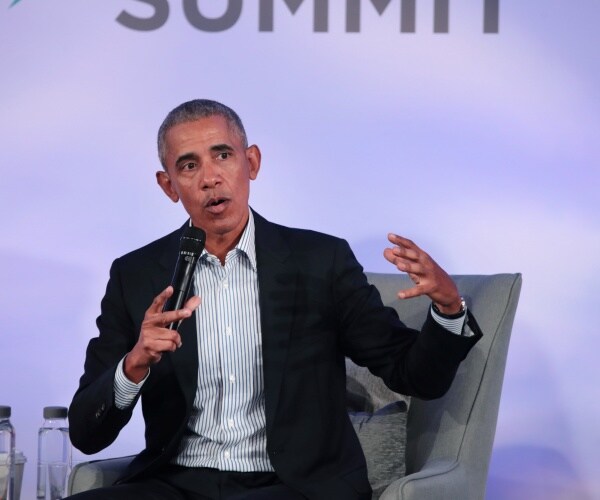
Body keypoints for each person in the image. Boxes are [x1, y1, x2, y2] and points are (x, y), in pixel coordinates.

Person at [67, 99, 482, 500]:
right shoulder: (136, 275)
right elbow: (87, 434)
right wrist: (133, 365)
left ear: (251, 163)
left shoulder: (320, 262)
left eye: (223, 155)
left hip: (292, 485)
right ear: (168, 186)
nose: (210, 178)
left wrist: (448, 308)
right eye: (189, 165)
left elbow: (412, 374)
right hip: (175, 483)